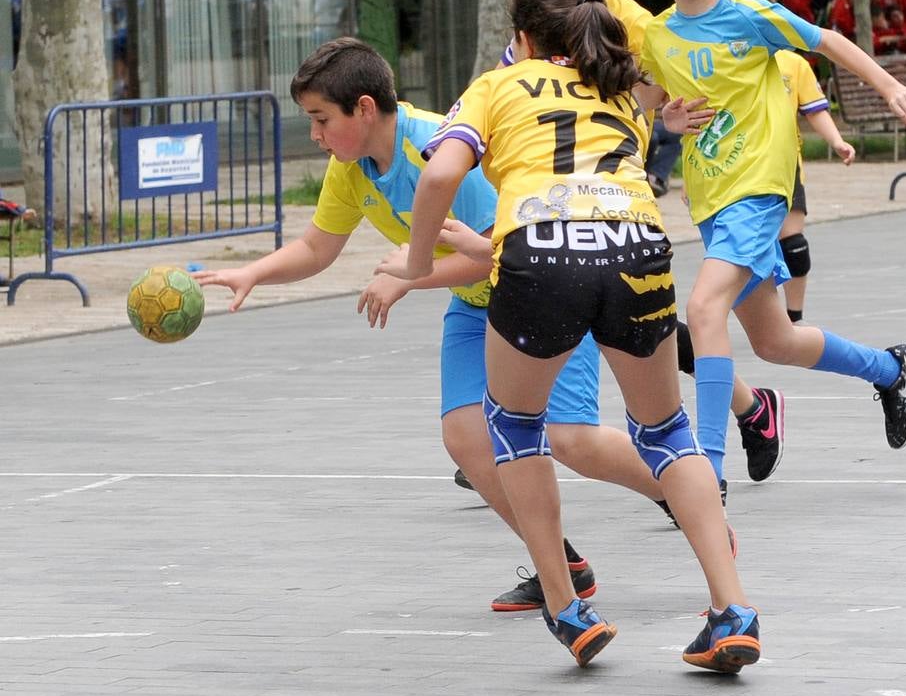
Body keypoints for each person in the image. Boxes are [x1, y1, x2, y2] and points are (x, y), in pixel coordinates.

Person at [191, 36, 734, 619]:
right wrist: (253, 272)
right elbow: (316, 247)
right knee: (465, 437)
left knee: (573, 441)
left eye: (322, 120)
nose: (316, 135)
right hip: (475, 307)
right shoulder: (349, 170)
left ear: (366, 108)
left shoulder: (439, 149)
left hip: (540, 288)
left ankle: (687, 500)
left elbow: (494, 252)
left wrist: (408, 278)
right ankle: (562, 565)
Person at [379, 0, 760, 673]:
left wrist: (412, 259)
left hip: (544, 253)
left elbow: (438, 176)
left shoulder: (496, 86)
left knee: (515, 425)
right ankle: (732, 610)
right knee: (667, 432)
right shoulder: (619, 91)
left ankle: (568, 605)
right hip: (638, 246)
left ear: (520, 38)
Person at [637, 0, 906, 504]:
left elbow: (828, 41)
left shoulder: (748, 14)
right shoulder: (659, 33)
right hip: (711, 199)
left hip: (760, 189)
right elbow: (647, 103)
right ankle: (891, 369)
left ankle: (704, 470)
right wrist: (662, 115)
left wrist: (890, 83)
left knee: (703, 308)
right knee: (774, 342)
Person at [508, 0, 787, 489]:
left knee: (636, 325)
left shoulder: (639, 24)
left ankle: (690, 454)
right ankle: (744, 410)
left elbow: (652, 103)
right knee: (628, 327)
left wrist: (667, 118)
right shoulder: (549, 9)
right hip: (550, 197)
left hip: (616, 195)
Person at [736, 0, 857, 325]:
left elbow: (815, 109)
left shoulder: (793, 64)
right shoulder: (722, 63)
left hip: (783, 166)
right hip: (735, 168)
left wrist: (836, 141)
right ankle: (755, 317)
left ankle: (793, 317)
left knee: (794, 248)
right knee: (746, 253)